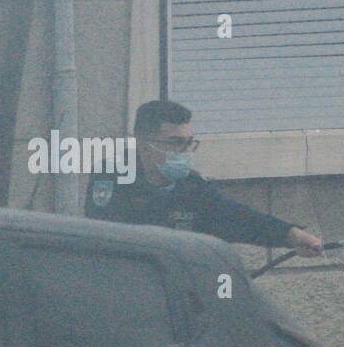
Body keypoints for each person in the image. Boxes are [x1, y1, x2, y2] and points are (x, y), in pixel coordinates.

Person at [85, 99, 322, 255]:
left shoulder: (192, 186)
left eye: (189, 143)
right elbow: (107, 245)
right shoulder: (113, 179)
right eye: (176, 143)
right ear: (144, 144)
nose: (185, 152)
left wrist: (290, 235)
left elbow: (236, 217)